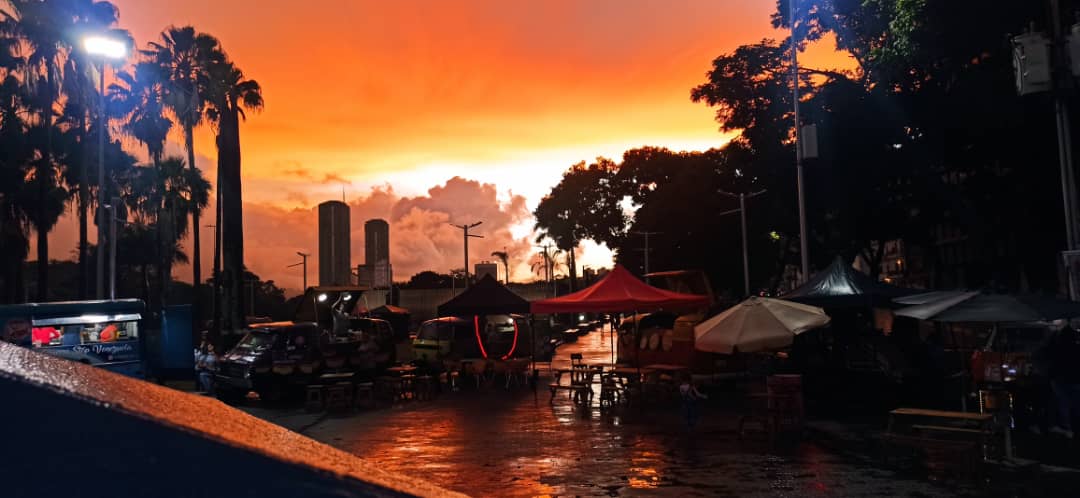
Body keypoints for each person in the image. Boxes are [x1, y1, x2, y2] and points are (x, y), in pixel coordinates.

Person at [1048, 327, 1080, 438]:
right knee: (1076, 403)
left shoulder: (1057, 349)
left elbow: (1053, 365)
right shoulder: (1077, 348)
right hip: (1075, 379)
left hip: (1060, 379)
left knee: (1064, 403)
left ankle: (1067, 427)